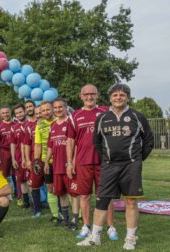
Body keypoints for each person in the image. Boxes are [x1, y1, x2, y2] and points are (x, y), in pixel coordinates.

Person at [77, 84, 153, 250]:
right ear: (110, 98)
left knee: (131, 201)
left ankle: (130, 238)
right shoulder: (102, 118)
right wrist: (106, 158)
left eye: (122, 95)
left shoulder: (137, 116)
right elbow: (97, 142)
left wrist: (138, 159)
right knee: (102, 200)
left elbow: (148, 141)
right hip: (109, 166)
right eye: (115, 95)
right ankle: (94, 237)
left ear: (127, 97)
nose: (118, 97)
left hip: (131, 166)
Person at [66, 84, 117, 239]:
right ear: (81, 96)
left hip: (104, 162)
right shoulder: (74, 115)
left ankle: (110, 227)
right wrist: (69, 162)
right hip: (82, 162)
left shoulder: (106, 112)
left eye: (92, 94)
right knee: (84, 196)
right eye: (86, 94)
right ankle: (86, 226)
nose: (89, 97)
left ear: (97, 95)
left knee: (105, 195)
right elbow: (70, 141)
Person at [44, 98, 78, 227]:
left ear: (66, 107)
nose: (58, 110)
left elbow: (76, 145)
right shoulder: (53, 125)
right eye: (56, 108)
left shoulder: (71, 122)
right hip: (57, 166)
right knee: (61, 193)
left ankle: (75, 219)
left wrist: (73, 162)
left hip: (69, 165)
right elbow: (50, 146)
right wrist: (47, 162)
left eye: (60, 107)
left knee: (74, 194)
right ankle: (65, 218)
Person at [34, 101, 59, 223]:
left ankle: (77, 215)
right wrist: (36, 161)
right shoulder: (39, 125)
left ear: (53, 109)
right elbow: (38, 145)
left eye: (48, 109)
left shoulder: (61, 121)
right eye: (43, 110)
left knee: (68, 188)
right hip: (46, 161)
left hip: (61, 160)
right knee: (49, 187)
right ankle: (55, 215)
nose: (45, 112)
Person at [23, 101, 45, 217]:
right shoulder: (29, 126)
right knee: (34, 184)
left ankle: (57, 209)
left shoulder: (50, 124)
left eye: (40, 112)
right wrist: (27, 159)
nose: (39, 115)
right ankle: (37, 209)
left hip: (48, 159)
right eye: (37, 113)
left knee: (51, 184)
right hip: (34, 158)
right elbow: (26, 144)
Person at [11, 104, 30, 208]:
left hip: (30, 156)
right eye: (17, 113)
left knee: (32, 180)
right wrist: (13, 158)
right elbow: (12, 144)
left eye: (20, 112)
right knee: (22, 180)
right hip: (18, 157)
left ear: (25, 111)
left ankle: (40, 200)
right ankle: (26, 201)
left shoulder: (31, 123)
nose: (19, 115)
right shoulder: (14, 127)